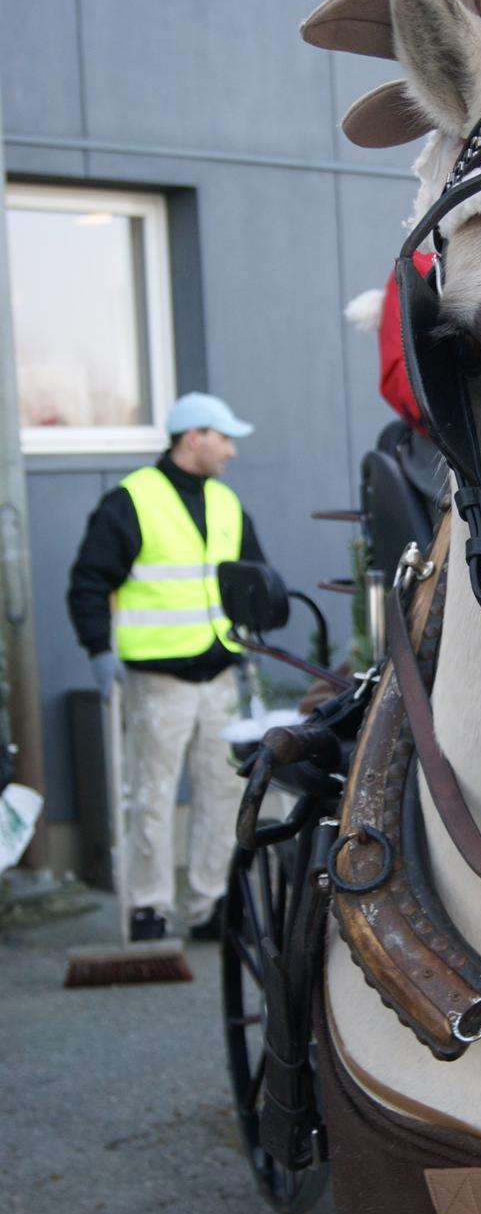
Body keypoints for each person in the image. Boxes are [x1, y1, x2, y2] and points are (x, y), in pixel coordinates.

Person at [67, 392, 265, 941]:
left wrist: (256, 633)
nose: (230, 450)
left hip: (220, 676)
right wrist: (98, 650)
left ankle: (211, 905)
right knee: (151, 797)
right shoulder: (130, 503)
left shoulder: (227, 504)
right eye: (223, 438)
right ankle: (148, 907)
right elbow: (89, 583)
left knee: (221, 794)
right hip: (158, 681)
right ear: (192, 437)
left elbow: (252, 579)